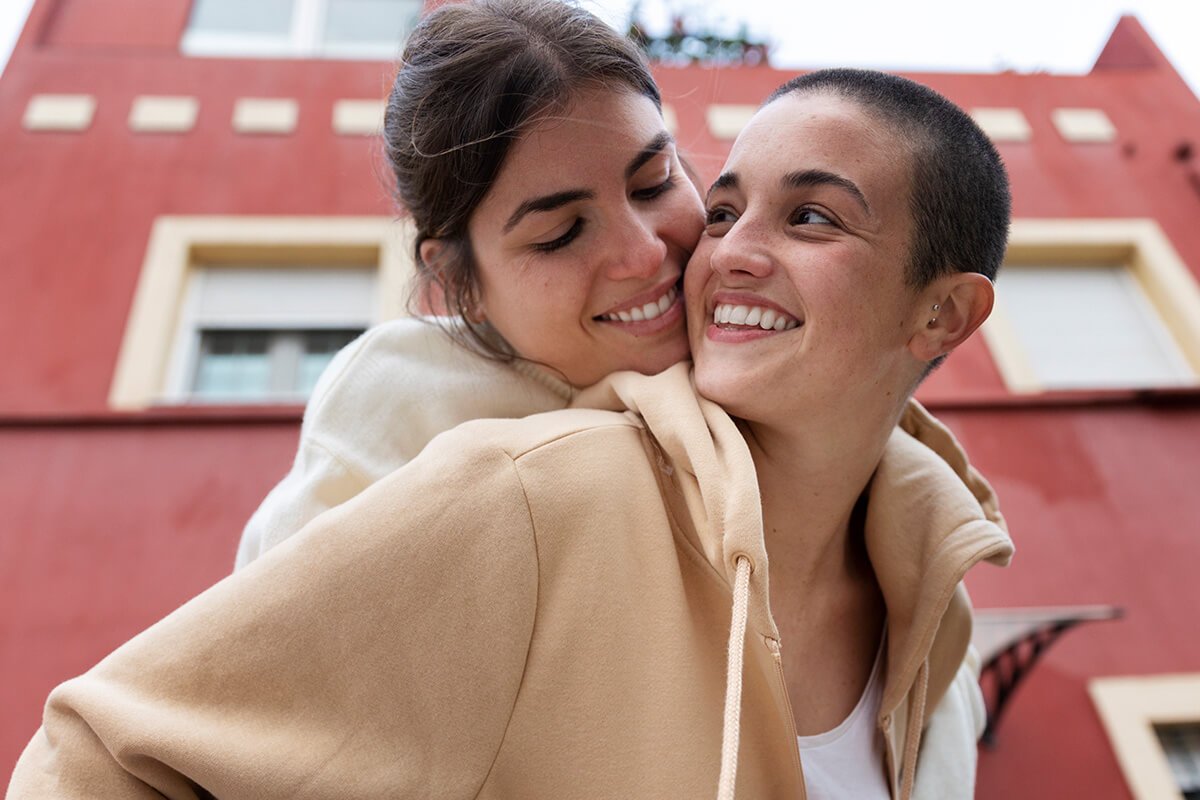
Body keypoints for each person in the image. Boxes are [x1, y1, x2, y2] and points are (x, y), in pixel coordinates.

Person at [7, 70, 1014, 800]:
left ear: (943, 314)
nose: (720, 254)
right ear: (464, 285)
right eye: (724, 211)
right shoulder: (531, 495)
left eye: (811, 218)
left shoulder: (935, 616)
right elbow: (97, 754)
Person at [233, 0, 704, 568]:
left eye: (655, 183)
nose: (645, 253)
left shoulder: (757, 316)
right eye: (561, 234)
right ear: (460, 278)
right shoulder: (396, 403)